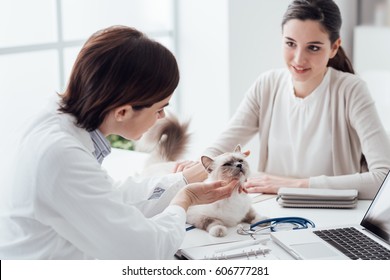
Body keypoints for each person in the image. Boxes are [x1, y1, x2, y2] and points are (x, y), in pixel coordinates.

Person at [0, 25, 237, 260]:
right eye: (159, 108)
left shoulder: (54, 123)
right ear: (123, 112)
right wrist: (185, 200)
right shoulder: (61, 155)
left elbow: (109, 198)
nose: (162, 117)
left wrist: (182, 180)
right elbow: (143, 250)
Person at [204, 0, 390, 200]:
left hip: (333, 216)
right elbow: (218, 150)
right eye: (290, 43)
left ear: (334, 47)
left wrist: (294, 186)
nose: (299, 59)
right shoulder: (267, 85)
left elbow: (383, 178)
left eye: (314, 48)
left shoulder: (351, 90)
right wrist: (186, 175)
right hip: (271, 211)